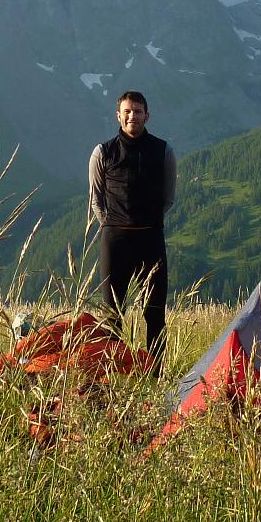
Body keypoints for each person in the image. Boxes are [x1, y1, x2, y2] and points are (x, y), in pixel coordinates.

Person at [88, 90, 177, 372]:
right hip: (115, 240)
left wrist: (146, 221)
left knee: (154, 313)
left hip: (151, 237)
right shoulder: (102, 152)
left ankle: (155, 374)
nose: (132, 116)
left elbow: (169, 198)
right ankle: (114, 376)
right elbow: (96, 198)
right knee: (112, 314)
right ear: (118, 116)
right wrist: (114, 223)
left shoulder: (164, 150)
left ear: (147, 115)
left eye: (137, 111)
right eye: (127, 111)